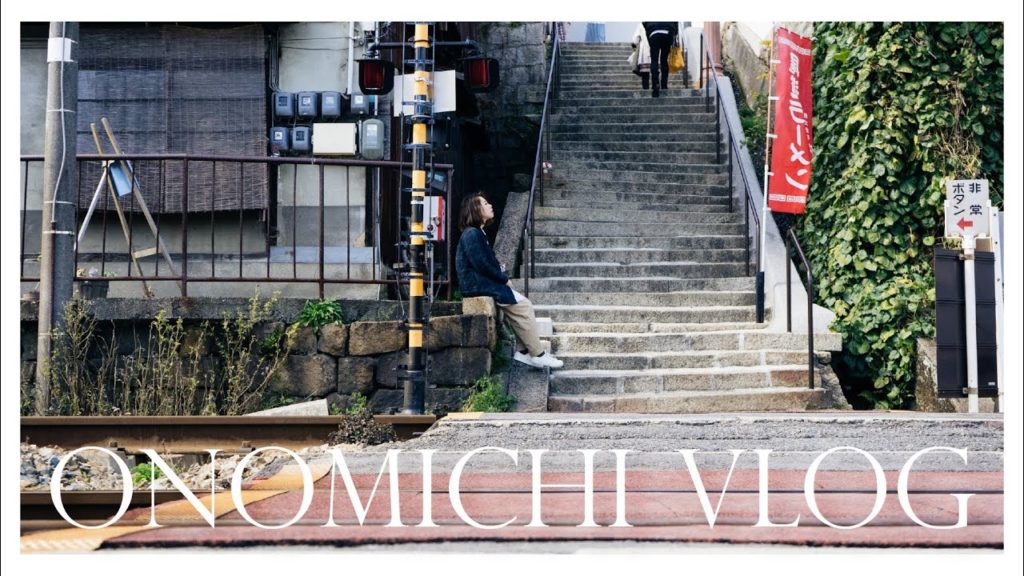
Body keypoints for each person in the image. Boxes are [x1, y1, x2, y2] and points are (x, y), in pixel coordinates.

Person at [455, 193, 563, 369]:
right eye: (485, 203)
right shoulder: (472, 234)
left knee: (523, 305)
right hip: (476, 284)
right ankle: (537, 354)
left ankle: (524, 352)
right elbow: (482, 264)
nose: (490, 205)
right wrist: (504, 279)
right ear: (475, 210)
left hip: (479, 282)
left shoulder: (476, 233)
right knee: (524, 306)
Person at [642, 21, 679, 97]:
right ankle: (664, 85)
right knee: (664, 60)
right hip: (668, 32)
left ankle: (655, 84)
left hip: (653, 32)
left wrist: (649, 34)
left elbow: (644, 23)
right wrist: (674, 33)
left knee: (654, 60)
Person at [630, 23, 652, 90]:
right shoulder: (655, 22)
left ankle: (646, 90)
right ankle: (656, 89)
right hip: (654, 50)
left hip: (644, 53)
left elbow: (635, 40)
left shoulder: (641, 25)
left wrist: (634, 45)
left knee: (645, 74)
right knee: (655, 71)